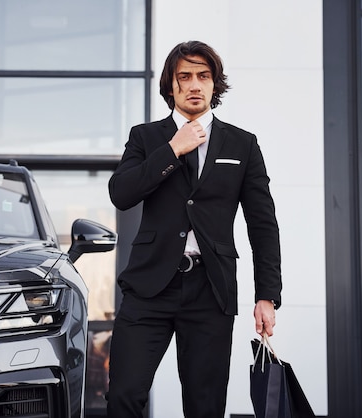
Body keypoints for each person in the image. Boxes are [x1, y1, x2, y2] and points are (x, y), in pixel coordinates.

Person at [106, 40, 282, 418]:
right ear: (171, 86)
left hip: (210, 289)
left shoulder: (243, 144)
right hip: (149, 287)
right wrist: (173, 149)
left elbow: (263, 225)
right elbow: (121, 193)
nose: (194, 84)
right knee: (124, 395)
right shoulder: (146, 137)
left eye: (204, 76)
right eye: (184, 77)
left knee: (205, 406)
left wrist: (267, 295)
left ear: (215, 85)